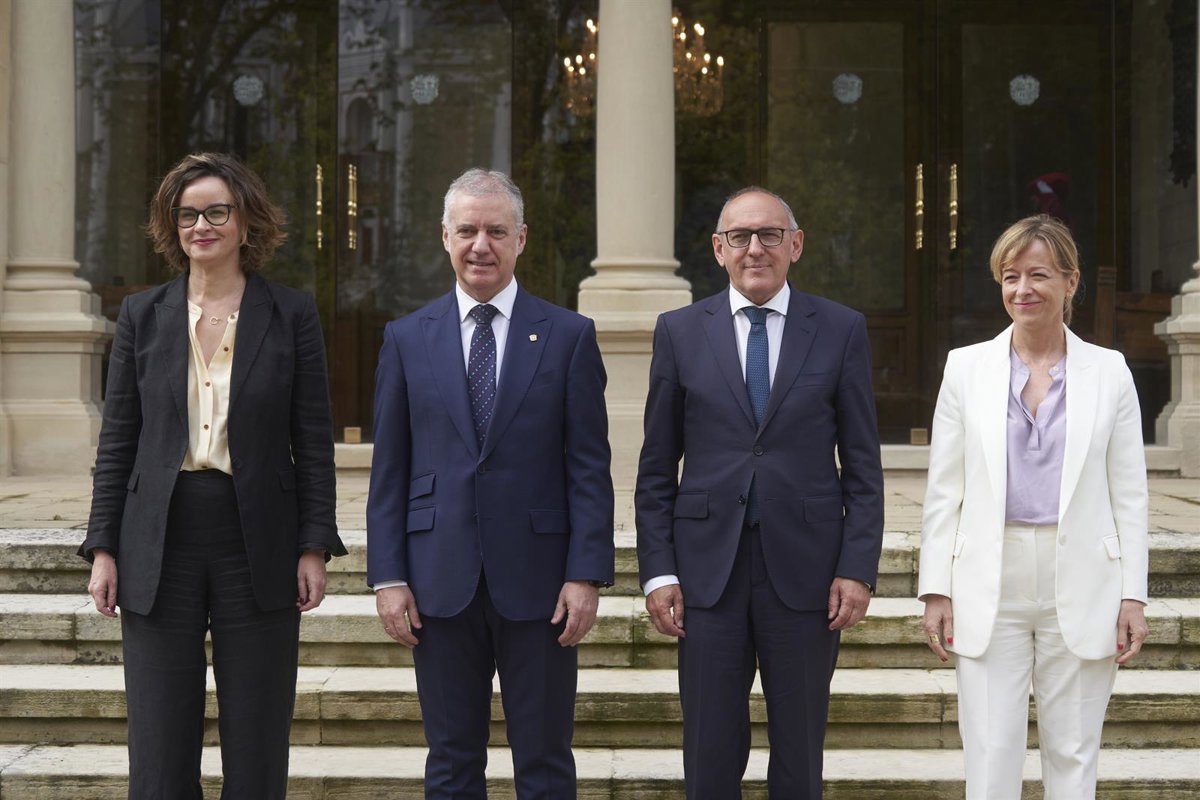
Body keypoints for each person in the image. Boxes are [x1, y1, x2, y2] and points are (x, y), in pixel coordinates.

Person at [80, 152, 346, 799]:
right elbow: (119, 440)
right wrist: (103, 546)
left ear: (246, 220)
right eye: (187, 214)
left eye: (217, 212)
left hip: (257, 537)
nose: (201, 225)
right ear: (172, 227)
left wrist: (313, 544)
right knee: (159, 742)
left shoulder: (291, 314)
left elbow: (313, 440)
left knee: (256, 734)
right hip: (158, 538)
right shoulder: (142, 315)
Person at [366, 168, 614, 799]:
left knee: (546, 761)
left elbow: (589, 466)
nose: (481, 245)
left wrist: (586, 574)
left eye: (497, 231)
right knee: (451, 763)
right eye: (468, 230)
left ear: (521, 239)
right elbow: (389, 470)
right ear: (444, 237)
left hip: (541, 584)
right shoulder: (405, 338)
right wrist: (388, 576)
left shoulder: (569, 336)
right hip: (437, 581)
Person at [635, 186, 885, 799]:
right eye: (740, 236)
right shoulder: (679, 332)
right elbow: (656, 468)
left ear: (795, 245)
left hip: (806, 574)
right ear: (718, 249)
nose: (755, 248)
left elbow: (862, 468)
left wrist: (857, 568)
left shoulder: (840, 329)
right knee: (710, 751)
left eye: (770, 235)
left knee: (799, 753)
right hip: (706, 576)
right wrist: (659, 572)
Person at [919, 214, 1149, 799]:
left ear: (1071, 282)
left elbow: (1129, 493)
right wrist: (935, 588)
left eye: (1039, 274)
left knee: (1072, 750)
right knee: (990, 749)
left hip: (1085, 576)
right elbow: (945, 489)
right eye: (1011, 276)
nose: (1023, 289)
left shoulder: (1110, 372)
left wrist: (1133, 594)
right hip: (987, 575)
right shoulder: (965, 368)